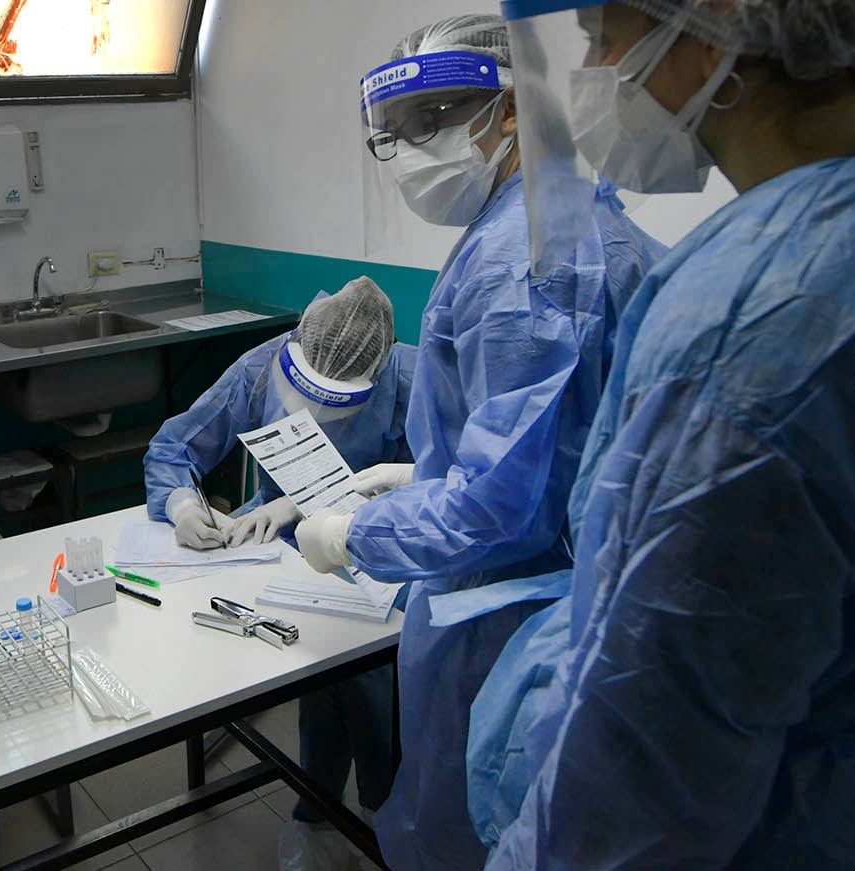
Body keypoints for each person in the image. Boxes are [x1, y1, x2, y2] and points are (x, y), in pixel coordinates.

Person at [454, 1, 855, 866]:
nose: (594, 66)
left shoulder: (751, 324)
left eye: (603, 35)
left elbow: (640, 776)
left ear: (711, 27)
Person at [293, 15, 666, 868]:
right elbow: (552, 439)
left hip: (513, 617)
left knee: (474, 827)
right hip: (561, 595)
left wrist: (355, 531)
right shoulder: (559, 222)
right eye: (398, 129)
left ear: (509, 113)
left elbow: (507, 504)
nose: (413, 145)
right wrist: (422, 471)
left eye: (434, 117)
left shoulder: (524, 261)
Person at [144, 276, 417, 869]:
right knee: (312, 681)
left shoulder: (417, 382)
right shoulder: (261, 364)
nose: (319, 415)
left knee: (363, 673)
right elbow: (174, 448)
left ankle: (379, 814)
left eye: (340, 405)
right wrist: (182, 504)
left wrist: (334, 503)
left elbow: (450, 487)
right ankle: (318, 813)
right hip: (271, 545)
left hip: (378, 558)